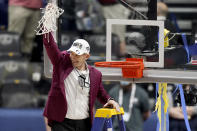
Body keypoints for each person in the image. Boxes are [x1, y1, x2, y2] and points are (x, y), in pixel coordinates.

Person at [42, 32, 120, 131]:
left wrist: (110, 100)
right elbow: (50, 47)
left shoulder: (95, 74)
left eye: (77, 55)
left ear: (86, 56)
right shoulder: (61, 65)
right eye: (72, 54)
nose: (73, 57)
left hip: (84, 124)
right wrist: (46, 31)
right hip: (62, 123)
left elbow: (101, 93)